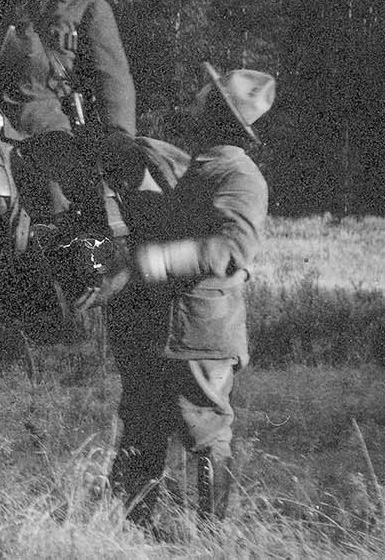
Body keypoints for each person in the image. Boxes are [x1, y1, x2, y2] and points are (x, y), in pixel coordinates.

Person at [104, 62, 274, 529]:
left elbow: (231, 248)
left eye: (204, 97)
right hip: (164, 330)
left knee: (205, 432)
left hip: (201, 333)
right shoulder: (200, 166)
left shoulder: (240, 176)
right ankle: (129, 532)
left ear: (219, 114)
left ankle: (211, 539)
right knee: (142, 428)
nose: (193, 102)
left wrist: (153, 261)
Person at [0, 0, 137, 232]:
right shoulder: (9, 6)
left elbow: (112, 79)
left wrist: (119, 139)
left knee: (63, 205)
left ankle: (87, 272)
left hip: (55, 130)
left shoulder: (90, 8)